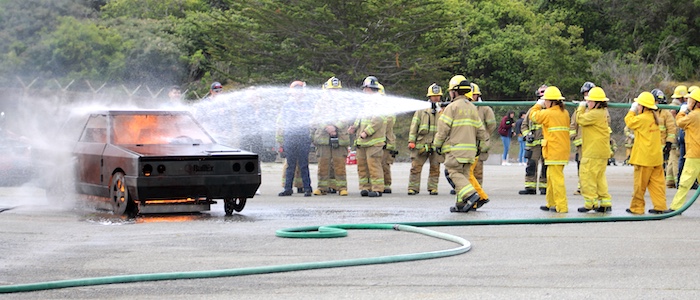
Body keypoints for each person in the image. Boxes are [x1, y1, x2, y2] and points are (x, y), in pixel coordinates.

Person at [434, 75, 490, 213]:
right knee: (463, 176)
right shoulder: (472, 107)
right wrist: (482, 146)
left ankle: (471, 195)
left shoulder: (452, 107)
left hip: (456, 150)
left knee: (453, 172)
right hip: (471, 151)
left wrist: (437, 144)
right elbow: (481, 130)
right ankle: (461, 204)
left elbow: (443, 129)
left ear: (454, 91)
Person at [624, 91, 668, 214]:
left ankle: (637, 208)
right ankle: (660, 206)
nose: (637, 107)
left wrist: (632, 110)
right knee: (657, 185)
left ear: (643, 106)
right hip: (656, 158)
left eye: (639, 105)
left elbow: (629, 121)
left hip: (644, 159)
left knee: (639, 185)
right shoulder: (655, 118)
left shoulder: (643, 118)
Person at [531, 86, 570, 213]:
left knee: (556, 180)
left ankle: (561, 206)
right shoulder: (564, 112)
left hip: (554, 151)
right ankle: (551, 203)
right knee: (551, 178)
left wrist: (537, 105)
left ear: (552, 101)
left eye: (546, 100)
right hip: (560, 151)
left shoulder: (548, 113)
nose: (545, 102)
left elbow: (533, 116)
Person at [347, 76, 387, 197]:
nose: (364, 91)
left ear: (372, 89)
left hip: (374, 142)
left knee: (374, 165)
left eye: (366, 88)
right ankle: (365, 187)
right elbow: (360, 117)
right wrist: (354, 127)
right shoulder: (365, 103)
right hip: (362, 141)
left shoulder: (379, 102)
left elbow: (378, 120)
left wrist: (366, 132)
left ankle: (377, 189)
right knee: (362, 166)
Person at [575, 87, 613, 213]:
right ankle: (605, 202)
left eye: (590, 101)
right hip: (601, 151)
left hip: (593, 152)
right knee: (599, 178)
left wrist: (580, 107)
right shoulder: (602, 112)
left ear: (597, 103)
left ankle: (590, 203)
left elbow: (580, 119)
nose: (588, 103)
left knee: (587, 177)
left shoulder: (594, 114)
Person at [312, 77, 350, 196]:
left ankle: (342, 188)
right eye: (332, 90)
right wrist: (326, 127)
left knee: (339, 164)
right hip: (323, 138)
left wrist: (335, 127)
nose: (334, 92)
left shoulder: (344, 103)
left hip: (340, 138)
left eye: (337, 90)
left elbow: (347, 117)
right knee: (323, 164)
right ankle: (322, 188)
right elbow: (316, 118)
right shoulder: (320, 103)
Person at [407, 83, 445, 195]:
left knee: (435, 167)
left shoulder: (443, 111)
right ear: (429, 97)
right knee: (415, 167)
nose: (436, 98)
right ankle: (413, 188)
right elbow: (414, 126)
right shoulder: (421, 110)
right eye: (434, 96)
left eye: (438, 96)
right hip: (421, 143)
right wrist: (411, 141)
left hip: (437, 144)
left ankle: (433, 188)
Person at [277, 80, 313, 197]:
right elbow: (282, 122)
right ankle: (288, 188)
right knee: (290, 164)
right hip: (290, 137)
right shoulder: (287, 105)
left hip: (303, 137)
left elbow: (311, 121)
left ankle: (307, 188)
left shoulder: (308, 104)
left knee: (303, 164)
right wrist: (281, 140)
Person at [668, 89, 700, 212]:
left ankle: (675, 207)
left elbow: (680, 123)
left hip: (694, 154)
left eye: (691, 101)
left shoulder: (693, 115)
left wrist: (682, 112)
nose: (688, 102)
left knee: (684, 182)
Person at [518, 85, 548, 195]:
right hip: (533, 144)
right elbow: (524, 125)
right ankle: (530, 187)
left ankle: (544, 187)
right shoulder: (532, 110)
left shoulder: (551, 111)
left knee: (546, 166)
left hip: (547, 144)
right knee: (531, 165)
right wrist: (526, 135)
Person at [571, 81, 595, 195]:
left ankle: (592, 187)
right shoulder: (580, 108)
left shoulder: (598, 109)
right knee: (581, 165)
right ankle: (582, 186)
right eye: (585, 93)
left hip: (593, 143)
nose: (586, 96)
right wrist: (573, 136)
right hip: (581, 143)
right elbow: (573, 123)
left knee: (592, 166)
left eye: (588, 93)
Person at [651, 89, 678, 188]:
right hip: (649, 146)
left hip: (661, 146)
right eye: (657, 101)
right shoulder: (647, 111)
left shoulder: (666, 113)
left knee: (660, 167)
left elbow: (671, 128)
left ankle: (658, 184)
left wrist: (669, 143)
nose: (658, 104)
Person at [379, 82, 397, 194]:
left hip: (386, 140)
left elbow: (389, 122)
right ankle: (376, 184)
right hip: (373, 140)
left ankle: (386, 184)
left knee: (384, 163)